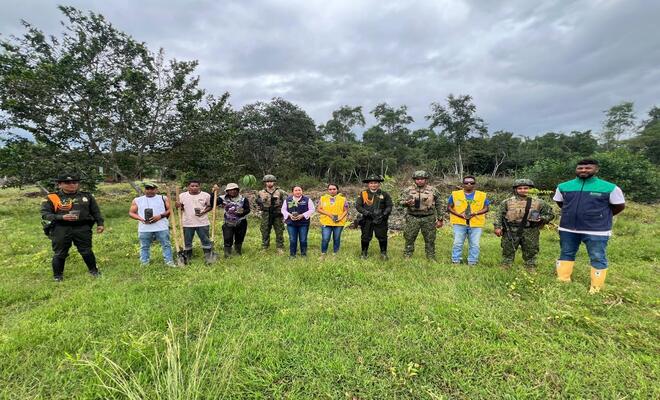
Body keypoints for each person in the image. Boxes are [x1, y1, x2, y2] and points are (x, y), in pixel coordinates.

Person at [553, 159, 625, 293]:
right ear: (576, 169)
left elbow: (619, 206)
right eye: (580, 168)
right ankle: (563, 279)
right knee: (566, 252)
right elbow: (561, 203)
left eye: (588, 168)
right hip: (567, 228)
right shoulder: (563, 186)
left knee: (597, 256)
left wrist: (601, 217)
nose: (583, 170)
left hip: (597, 230)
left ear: (596, 169)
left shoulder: (610, 188)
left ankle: (596, 287)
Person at [41, 173, 104, 281]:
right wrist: (62, 217)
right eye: (67, 183)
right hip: (61, 228)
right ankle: (58, 276)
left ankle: (94, 271)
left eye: (75, 182)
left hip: (82, 227)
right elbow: (45, 214)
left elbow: (95, 211)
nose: (72, 185)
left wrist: (100, 223)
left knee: (86, 250)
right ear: (60, 184)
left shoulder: (86, 196)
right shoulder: (52, 197)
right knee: (60, 253)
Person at [493, 179, 554, 271]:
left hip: (530, 229)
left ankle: (530, 265)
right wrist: (497, 227)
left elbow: (550, 214)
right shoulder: (507, 202)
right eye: (520, 188)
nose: (523, 190)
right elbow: (499, 215)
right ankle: (506, 264)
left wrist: (541, 218)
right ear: (515, 189)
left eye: (526, 188)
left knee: (531, 249)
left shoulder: (539, 202)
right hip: (511, 229)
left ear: (531, 189)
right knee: (508, 248)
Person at [399, 170, 444, 260]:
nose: (420, 181)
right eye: (417, 179)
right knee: (409, 237)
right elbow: (398, 202)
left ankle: (431, 257)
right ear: (414, 180)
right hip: (412, 217)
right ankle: (407, 255)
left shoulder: (433, 190)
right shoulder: (408, 190)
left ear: (426, 179)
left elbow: (439, 204)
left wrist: (440, 219)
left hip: (428, 218)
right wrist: (406, 203)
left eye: (422, 179)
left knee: (430, 239)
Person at [128, 181, 174, 266]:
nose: (149, 190)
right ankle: (144, 263)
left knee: (166, 245)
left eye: (152, 189)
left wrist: (160, 216)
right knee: (144, 246)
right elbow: (131, 213)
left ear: (156, 189)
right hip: (144, 228)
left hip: (161, 227)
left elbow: (170, 209)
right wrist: (141, 219)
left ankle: (169, 262)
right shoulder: (137, 200)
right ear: (144, 189)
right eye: (147, 188)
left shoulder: (163, 198)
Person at [447, 176, 490, 265]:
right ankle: (456, 260)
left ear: (475, 184)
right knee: (457, 243)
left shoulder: (482, 195)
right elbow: (449, 207)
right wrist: (459, 215)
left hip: (476, 223)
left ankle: (472, 262)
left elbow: (486, 208)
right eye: (466, 183)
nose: (469, 184)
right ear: (463, 184)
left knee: (475, 244)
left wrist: (476, 213)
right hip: (459, 222)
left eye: (471, 183)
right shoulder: (455, 194)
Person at [176, 179, 215, 263]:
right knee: (187, 241)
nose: (194, 187)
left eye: (196, 186)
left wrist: (203, 212)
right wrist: (178, 205)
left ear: (199, 186)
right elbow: (180, 208)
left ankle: (208, 257)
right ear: (188, 187)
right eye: (192, 186)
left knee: (205, 240)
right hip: (187, 222)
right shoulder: (182, 195)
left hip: (202, 222)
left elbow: (210, 206)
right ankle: (187, 257)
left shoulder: (206, 195)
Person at [355, 175, 393, 260]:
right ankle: (364, 253)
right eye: (371, 183)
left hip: (380, 219)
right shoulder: (363, 194)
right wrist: (367, 213)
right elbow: (358, 206)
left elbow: (389, 206)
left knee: (382, 237)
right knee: (365, 237)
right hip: (367, 219)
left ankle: (383, 253)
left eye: (375, 183)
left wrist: (384, 214)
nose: (373, 185)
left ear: (379, 184)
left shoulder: (384, 194)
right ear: (368, 184)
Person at [216, 182, 250, 257]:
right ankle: (227, 254)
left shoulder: (243, 199)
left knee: (239, 238)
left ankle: (238, 252)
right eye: (230, 190)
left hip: (241, 221)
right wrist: (213, 193)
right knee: (227, 238)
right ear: (227, 191)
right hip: (228, 222)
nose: (233, 191)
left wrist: (242, 213)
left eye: (234, 190)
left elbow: (247, 209)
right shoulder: (222, 198)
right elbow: (213, 203)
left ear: (237, 190)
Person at [256, 175, 287, 253]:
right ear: (265, 183)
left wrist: (283, 212)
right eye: (267, 182)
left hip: (277, 213)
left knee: (279, 230)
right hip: (266, 213)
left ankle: (280, 247)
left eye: (271, 181)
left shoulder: (280, 192)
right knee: (265, 230)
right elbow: (257, 201)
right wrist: (262, 201)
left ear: (274, 182)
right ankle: (265, 246)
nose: (269, 183)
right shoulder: (261, 192)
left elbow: (286, 202)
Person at [281, 186, 315, 257]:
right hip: (291, 223)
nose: (298, 192)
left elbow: (312, 209)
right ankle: (292, 255)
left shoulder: (307, 200)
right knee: (292, 240)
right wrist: (289, 215)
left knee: (303, 240)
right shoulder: (288, 200)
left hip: (303, 223)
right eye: (296, 190)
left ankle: (303, 254)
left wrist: (303, 215)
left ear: (302, 191)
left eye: (299, 190)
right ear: (292, 192)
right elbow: (283, 210)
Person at [317, 183, 349, 258]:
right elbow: (319, 209)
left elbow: (346, 210)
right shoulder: (323, 198)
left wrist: (340, 218)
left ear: (337, 190)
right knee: (325, 239)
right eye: (330, 189)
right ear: (328, 190)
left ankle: (335, 254)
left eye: (334, 189)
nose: (332, 191)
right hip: (326, 222)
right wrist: (329, 215)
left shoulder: (343, 199)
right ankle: (323, 254)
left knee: (336, 238)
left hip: (338, 223)